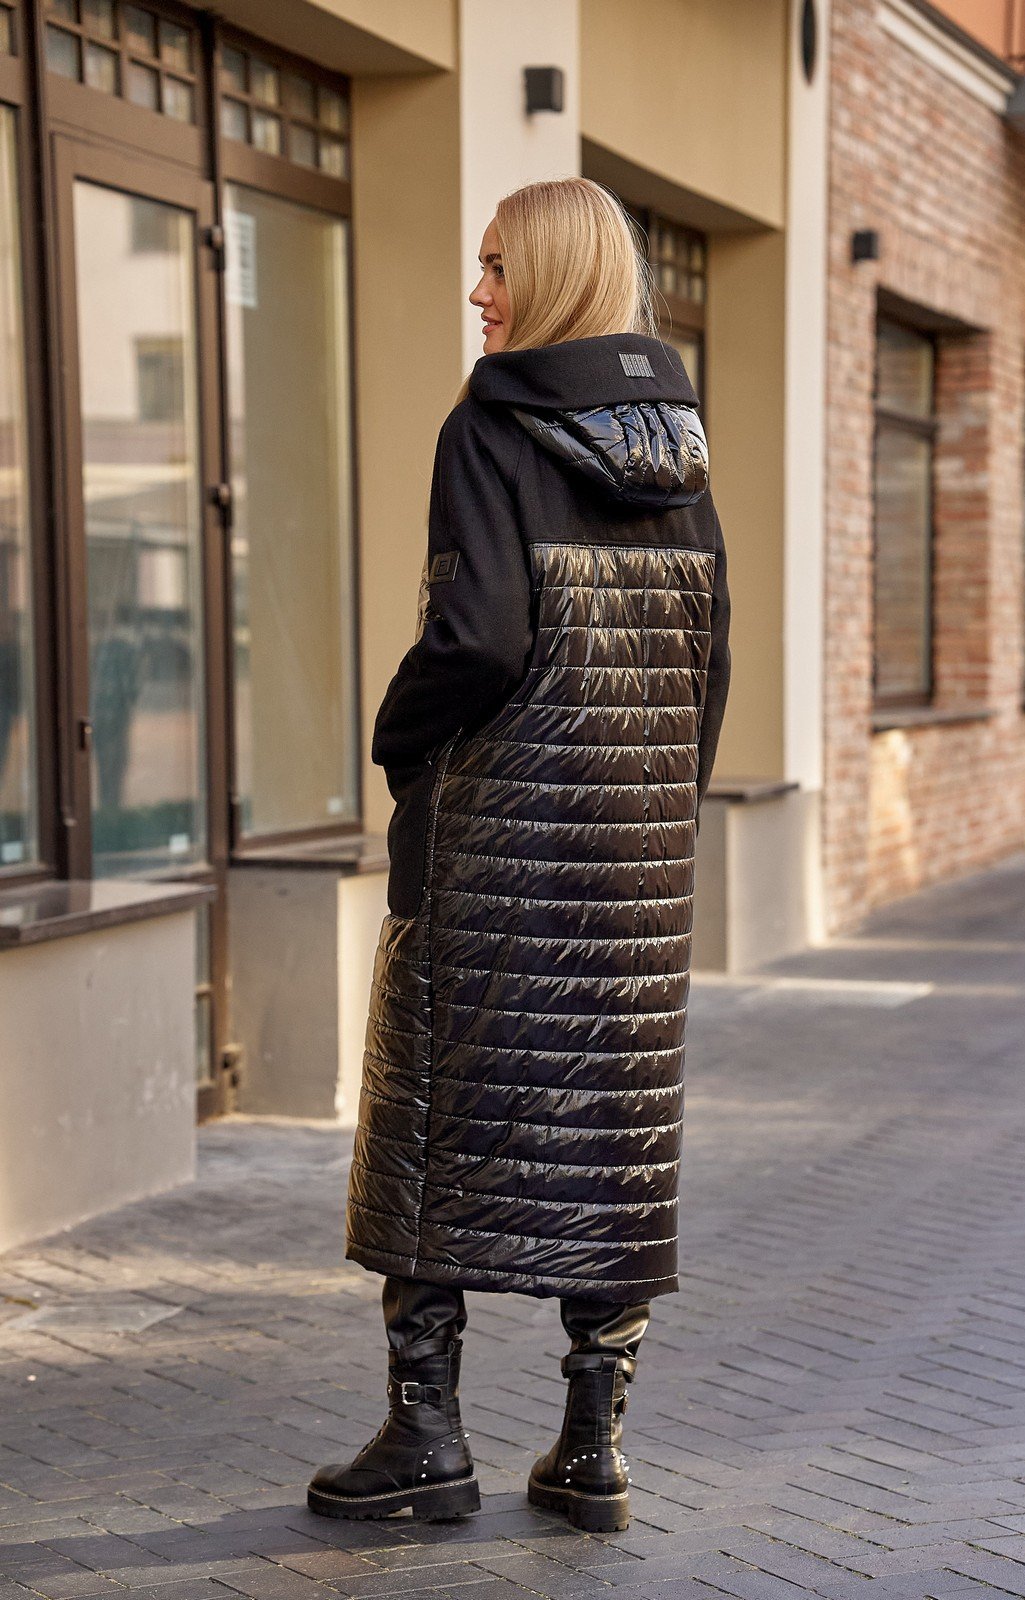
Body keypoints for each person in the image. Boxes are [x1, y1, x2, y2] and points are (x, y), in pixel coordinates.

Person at [308, 177, 731, 1534]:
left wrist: (397, 737)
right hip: (634, 862)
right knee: (614, 1134)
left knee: (430, 1119)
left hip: (490, 846)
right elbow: (710, 665)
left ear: (549, 275)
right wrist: (658, 811)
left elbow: (478, 638)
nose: (478, 290)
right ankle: (592, 1448)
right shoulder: (682, 449)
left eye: (498, 265)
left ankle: (425, 1438)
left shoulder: (487, 429)